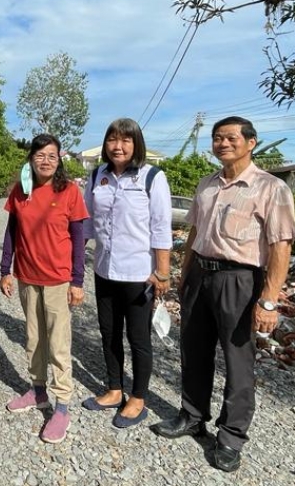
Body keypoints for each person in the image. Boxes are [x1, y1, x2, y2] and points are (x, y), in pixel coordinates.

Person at [153, 116, 295, 473]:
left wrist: (268, 300)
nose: (223, 144)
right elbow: (194, 236)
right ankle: (192, 415)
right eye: (217, 138)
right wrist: (182, 278)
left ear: (251, 142)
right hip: (200, 276)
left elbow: (281, 246)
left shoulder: (271, 188)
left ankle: (231, 437)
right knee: (194, 350)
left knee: (237, 361)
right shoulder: (206, 185)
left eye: (231, 138)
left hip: (240, 280)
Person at [80, 118, 172, 430]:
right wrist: (74, 262)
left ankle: (138, 398)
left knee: (138, 338)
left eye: (125, 141)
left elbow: (161, 227)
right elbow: (87, 223)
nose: (118, 147)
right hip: (104, 270)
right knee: (108, 334)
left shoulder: (152, 177)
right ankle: (114, 389)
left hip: (139, 275)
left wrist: (162, 272)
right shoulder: (97, 177)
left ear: (136, 144)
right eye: (112, 140)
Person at [0, 134, 89, 444]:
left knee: (58, 344)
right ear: (31, 158)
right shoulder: (20, 191)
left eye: (52, 155)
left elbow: (79, 239)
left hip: (58, 279)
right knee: (34, 338)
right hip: (26, 276)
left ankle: (62, 405)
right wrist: (4, 270)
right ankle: (38, 391)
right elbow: (11, 232)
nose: (46, 160)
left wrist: (78, 281)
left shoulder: (69, 191)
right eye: (40, 155)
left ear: (59, 159)